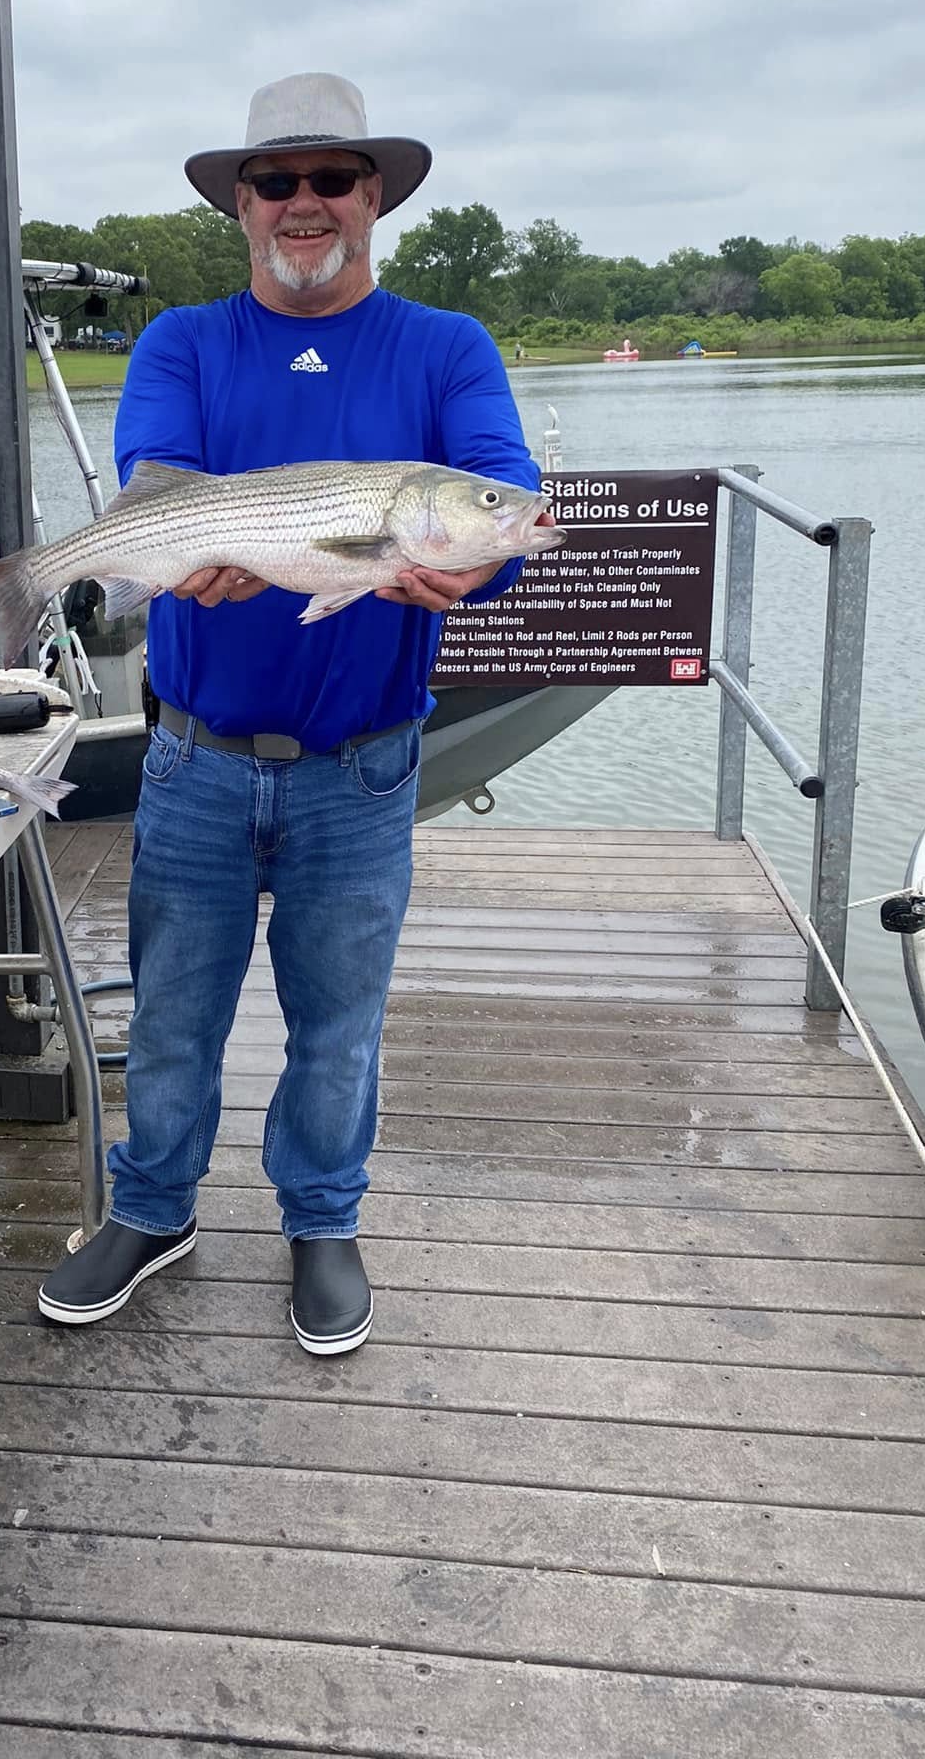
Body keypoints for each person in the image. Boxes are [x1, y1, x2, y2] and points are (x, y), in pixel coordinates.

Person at [37, 73, 545, 1354]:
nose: (305, 203)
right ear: (242, 207)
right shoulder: (183, 343)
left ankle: (322, 1219)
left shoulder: (446, 349)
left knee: (339, 1021)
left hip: (362, 767)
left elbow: (511, 503)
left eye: (332, 178)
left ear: (374, 197)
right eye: (278, 181)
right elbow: (160, 487)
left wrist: (483, 554)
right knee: (171, 1009)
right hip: (194, 756)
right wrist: (169, 553)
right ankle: (152, 1208)